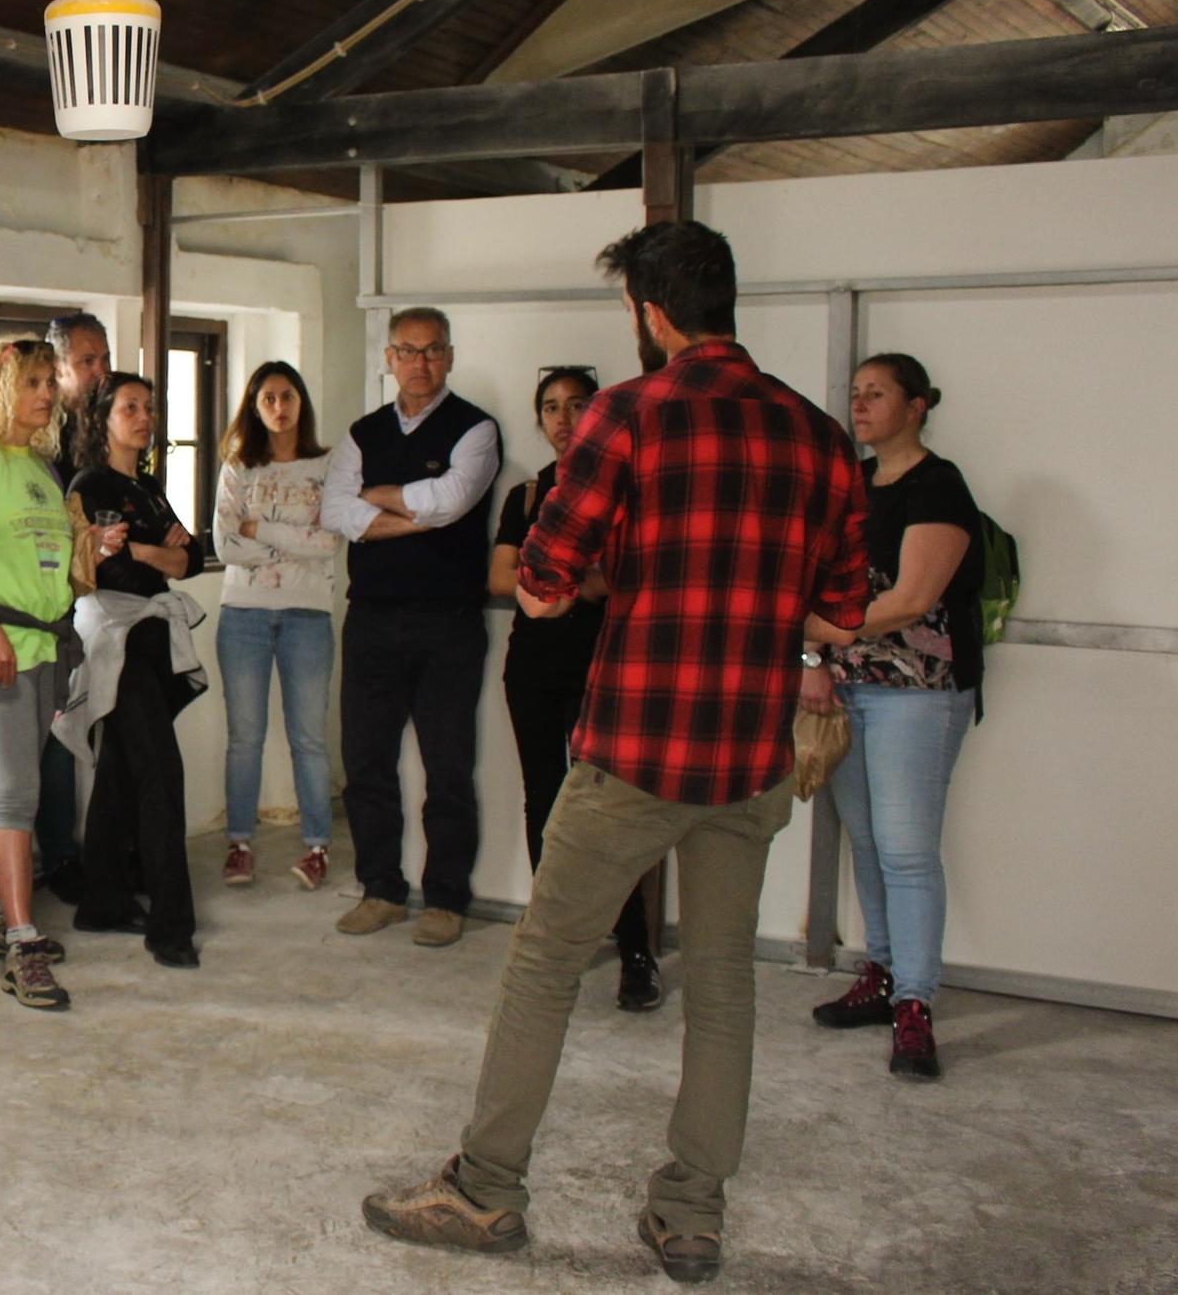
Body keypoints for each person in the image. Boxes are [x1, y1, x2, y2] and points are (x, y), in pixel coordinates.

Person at [366, 220, 867, 1287]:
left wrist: (613, 574)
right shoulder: (818, 437)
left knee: (544, 965)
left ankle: (485, 1190)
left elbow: (542, 585)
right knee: (723, 982)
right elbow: (840, 611)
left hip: (636, 745)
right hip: (749, 757)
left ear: (648, 311)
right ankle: (689, 1217)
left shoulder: (627, 417)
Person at [802, 353, 984, 1081]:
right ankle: (878, 975)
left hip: (919, 692)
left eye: (878, 394)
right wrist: (814, 664)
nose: (863, 405)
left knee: (908, 850)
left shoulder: (939, 486)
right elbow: (814, 586)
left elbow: (910, 599)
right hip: (848, 690)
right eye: (856, 395)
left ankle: (915, 1003)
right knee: (869, 843)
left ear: (918, 406)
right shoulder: (848, 485)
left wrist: (822, 634)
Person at [0, 337, 123, 1011]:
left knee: (9, 791)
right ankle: (22, 942)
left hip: (45, 646)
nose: (47, 393)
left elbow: (45, 559)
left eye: (49, 380)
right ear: (0, 388)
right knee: (17, 797)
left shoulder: (39, 463)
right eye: (34, 382)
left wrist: (91, 546)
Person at [320, 307, 502, 947]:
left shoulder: (476, 430)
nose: (419, 363)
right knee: (366, 760)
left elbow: (453, 503)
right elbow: (336, 511)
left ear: (448, 356)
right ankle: (380, 890)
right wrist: (413, 511)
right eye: (407, 350)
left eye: (432, 351)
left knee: (448, 765)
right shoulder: (362, 432)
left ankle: (446, 899)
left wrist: (379, 498)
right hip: (371, 620)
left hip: (447, 624)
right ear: (389, 357)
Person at [490, 366, 660, 1012]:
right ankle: (557, 941)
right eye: (551, 407)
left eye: (577, 405)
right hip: (533, 665)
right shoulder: (528, 495)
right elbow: (502, 577)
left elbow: (622, 579)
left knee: (616, 813)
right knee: (545, 802)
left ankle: (635, 949)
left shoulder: (627, 490)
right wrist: (572, 580)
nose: (563, 418)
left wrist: (565, 579)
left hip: (607, 668)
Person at [60, 374, 206, 967]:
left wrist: (148, 551)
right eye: (130, 407)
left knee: (122, 769)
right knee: (159, 773)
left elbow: (190, 557)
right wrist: (154, 553)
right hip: (115, 635)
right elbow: (109, 568)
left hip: (150, 632)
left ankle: (103, 900)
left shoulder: (147, 486)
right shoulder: (90, 483)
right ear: (103, 419)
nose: (144, 417)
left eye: (150, 407)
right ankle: (171, 928)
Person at [210, 360, 343, 891]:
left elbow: (328, 541)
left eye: (287, 396)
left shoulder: (327, 466)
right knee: (245, 738)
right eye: (268, 399)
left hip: (308, 613)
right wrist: (291, 537)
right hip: (242, 613)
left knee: (308, 738)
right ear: (254, 406)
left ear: (301, 402)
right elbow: (223, 545)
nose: (279, 408)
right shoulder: (238, 467)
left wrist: (258, 527)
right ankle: (239, 843)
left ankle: (317, 847)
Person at [35, 310, 114, 898]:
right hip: (46, 607)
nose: (99, 372)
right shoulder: (41, 437)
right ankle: (59, 856)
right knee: (56, 734)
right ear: (57, 366)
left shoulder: (109, 426)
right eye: (86, 361)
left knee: (102, 727)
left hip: (109, 601)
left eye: (103, 358)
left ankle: (107, 846)